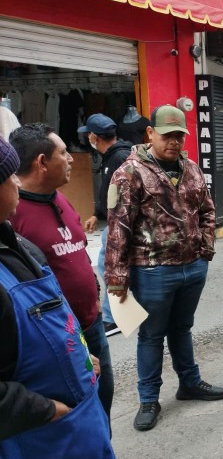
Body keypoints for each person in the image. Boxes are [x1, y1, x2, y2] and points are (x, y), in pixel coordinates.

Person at [0, 136, 132, 459]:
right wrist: (49, 412)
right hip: (30, 454)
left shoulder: (13, 242)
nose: (15, 186)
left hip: (69, 439)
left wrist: (78, 352)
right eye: (7, 179)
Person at [105, 105, 223, 431]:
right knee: (151, 335)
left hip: (192, 268)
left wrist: (205, 250)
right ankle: (148, 400)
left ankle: (189, 383)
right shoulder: (128, 173)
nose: (174, 142)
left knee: (182, 329)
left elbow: (208, 211)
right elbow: (117, 229)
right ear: (150, 134)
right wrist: (117, 281)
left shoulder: (192, 169)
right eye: (167, 135)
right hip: (153, 271)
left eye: (179, 136)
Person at [78, 113, 133, 337]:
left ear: (93, 136)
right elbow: (109, 192)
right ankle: (119, 314)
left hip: (121, 223)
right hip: (114, 220)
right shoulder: (113, 155)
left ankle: (114, 318)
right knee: (112, 267)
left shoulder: (119, 157)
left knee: (110, 267)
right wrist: (96, 214)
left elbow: (126, 194)